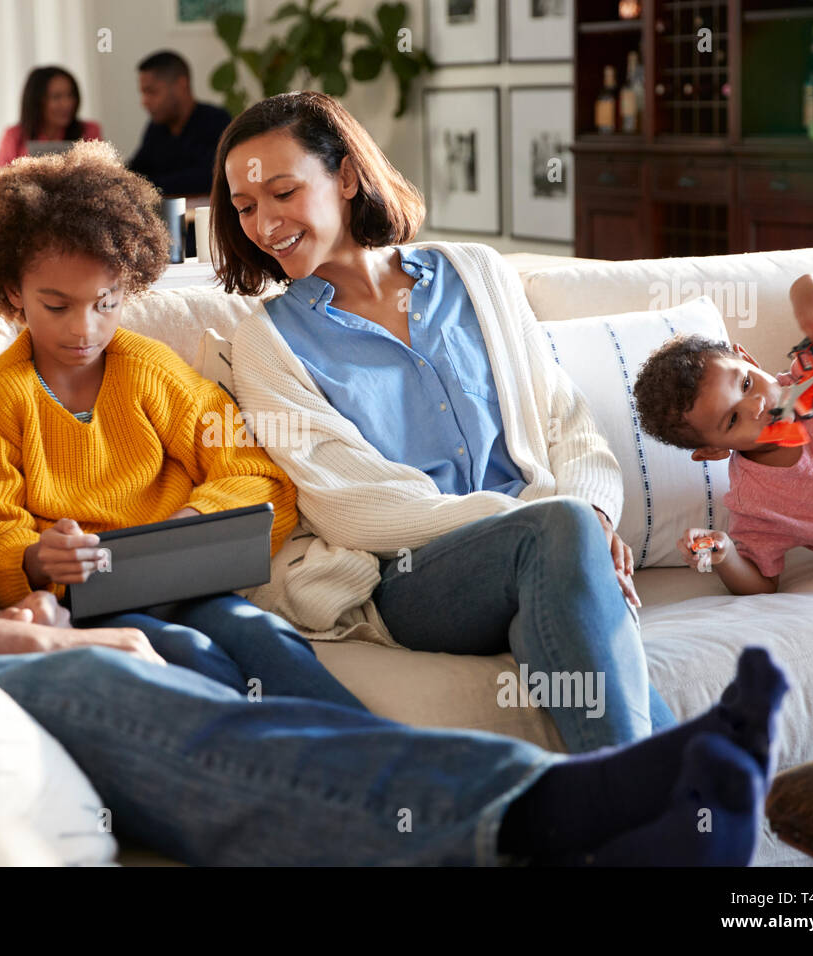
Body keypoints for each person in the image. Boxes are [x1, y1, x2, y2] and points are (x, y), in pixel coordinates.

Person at [0, 121, 787, 867]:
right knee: (131, 672)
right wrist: (36, 613)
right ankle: (549, 814)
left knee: (224, 659)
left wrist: (15, 611)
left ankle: (563, 811)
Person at [210, 91, 670, 754]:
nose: (263, 223)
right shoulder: (266, 340)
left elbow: (564, 415)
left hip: (547, 544)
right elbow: (353, 507)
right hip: (416, 579)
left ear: (344, 177)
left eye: (282, 192)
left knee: (566, 554)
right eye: (245, 206)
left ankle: (638, 807)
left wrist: (593, 517)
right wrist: (546, 519)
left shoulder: (475, 273)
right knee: (557, 531)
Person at [0, 141, 364, 708]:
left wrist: (186, 527)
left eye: (105, 302)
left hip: (185, 583)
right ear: (14, 292)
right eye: (57, 306)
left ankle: (360, 764)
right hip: (85, 605)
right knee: (186, 655)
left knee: (267, 639)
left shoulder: (149, 369)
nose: (84, 330)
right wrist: (37, 555)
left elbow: (257, 475)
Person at [632, 274, 813, 595]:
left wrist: (805, 288)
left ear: (748, 360)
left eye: (746, 383)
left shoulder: (812, 377)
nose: (757, 404)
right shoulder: (756, 503)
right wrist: (727, 557)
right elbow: (762, 582)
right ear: (714, 451)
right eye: (733, 419)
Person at [127, 51, 231, 196]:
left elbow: (211, 177)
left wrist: (147, 185)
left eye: (152, 92)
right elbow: (136, 170)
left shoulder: (216, 121)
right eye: (143, 93)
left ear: (181, 84)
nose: (144, 102)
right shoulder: (156, 127)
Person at [0, 66, 102, 169]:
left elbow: (100, 176)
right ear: (37, 102)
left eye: (70, 95)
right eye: (56, 97)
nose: (67, 104)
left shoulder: (89, 131)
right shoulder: (15, 135)